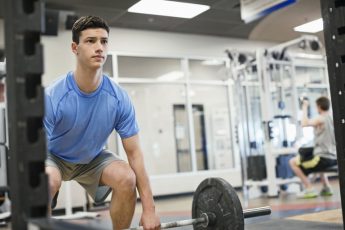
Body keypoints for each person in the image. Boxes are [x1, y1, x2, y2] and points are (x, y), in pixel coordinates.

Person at [44, 16, 161, 230]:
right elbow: (34, 154)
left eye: (104, 41)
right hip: (55, 156)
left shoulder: (118, 98)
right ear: (74, 47)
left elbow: (135, 154)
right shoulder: (54, 96)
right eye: (90, 41)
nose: (99, 47)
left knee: (127, 178)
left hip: (92, 157)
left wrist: (150, 210)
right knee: (47, 180)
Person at [289, 96, 337, 198]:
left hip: (323, 159)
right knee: (314, 155)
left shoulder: (321, 118)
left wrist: (305, 106)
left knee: (293, 162)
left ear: (319, 107)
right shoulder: (333, 118)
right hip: (333, 157)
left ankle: (309, 188)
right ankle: (326, 187)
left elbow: (304, 123)